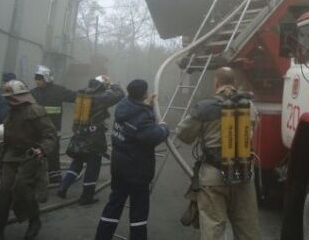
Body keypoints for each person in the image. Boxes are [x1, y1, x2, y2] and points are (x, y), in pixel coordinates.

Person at [176, 67, 260, 240]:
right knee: (247, 228)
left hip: (213, 177)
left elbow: (183, 135)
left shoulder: (204, 107)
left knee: (213, 227)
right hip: (243, 173)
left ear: (216, 83)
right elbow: (253, 129)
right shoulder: (249, 106)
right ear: (235, 83)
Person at [95, 79, 169, 240]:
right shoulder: (141, 119)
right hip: (137, 170)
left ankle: (102, 236)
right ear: (143, 93)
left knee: (114, 203)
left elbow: (135, 114)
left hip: (119, 166)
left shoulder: (123, 105)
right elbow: (153, 135)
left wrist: (146, 104)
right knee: (139, 211)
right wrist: (163, 126)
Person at [0, 80, 57, 240]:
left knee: (21, 188)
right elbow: (5, 143)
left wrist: (42, 149)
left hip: (31, 156)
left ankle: (34, 220)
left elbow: (50, 135)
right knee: (3, 191)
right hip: (11, 155)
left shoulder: (35, 111)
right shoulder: (10, 114)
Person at [58, 75, 124, 205]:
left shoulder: (83, 92)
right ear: (103, 85)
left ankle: (63, 187)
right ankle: (87, 196)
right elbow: (120, 94)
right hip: (94, 137)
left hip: (79, 133)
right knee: (93, 164)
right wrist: (112, 85)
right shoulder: (101, 96)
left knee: (78, 160)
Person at [30, 65, 77, 184]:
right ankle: (34, 176)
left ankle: (54, 177)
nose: (37, 81)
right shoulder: (33, 93)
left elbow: (75, 96)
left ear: (46, 78)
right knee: (35, 152)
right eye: (36, 78)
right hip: (36, 129)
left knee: (53, 153)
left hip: (53, 129)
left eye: (39, 78)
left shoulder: (59, 91)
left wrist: (88, 93)